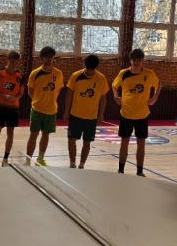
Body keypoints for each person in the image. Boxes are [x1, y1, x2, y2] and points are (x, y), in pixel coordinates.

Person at [112, 49, 161, 177]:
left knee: (141, 142)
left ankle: (139, 171)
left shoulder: (149, 74)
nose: (137, 62)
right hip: (126, 113)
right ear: (131, 60)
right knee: (124, 141)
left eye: (139, 60)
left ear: (142, 61)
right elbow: (114, 85)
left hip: (142, 114)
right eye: (134, 60)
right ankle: (121, 170)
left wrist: (154, 98)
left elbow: (159, 85)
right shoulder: (124, 73)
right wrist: (116, 96)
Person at [63, 54, 109, 169]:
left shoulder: (101, 78)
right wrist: (66, 111)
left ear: (96, 67)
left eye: (92, 69)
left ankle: (82, 165)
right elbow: (69, 94)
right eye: (88, 69)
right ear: (84, 65)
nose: (89, 72)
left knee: (87, 142)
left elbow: (103, 98)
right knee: (71, 139)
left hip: (91, 116)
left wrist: (101, 114)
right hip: (75, 114)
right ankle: (72, 163)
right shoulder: (76, 76)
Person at [26, 46, 64, 166]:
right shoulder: (35, 73)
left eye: (51, 57)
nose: (49, 59)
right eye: (47, 57)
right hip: (37, 109)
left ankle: (40, 158)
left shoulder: (58, 74)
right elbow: (30, 91)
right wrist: (38, 100)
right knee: (33, 134)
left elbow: (58, 90)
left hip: (51, 110)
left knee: (46, 135)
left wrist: (50, 100)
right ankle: (28, 160)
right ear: (41, 58)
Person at [0, 51, 24, 167]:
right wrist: (3, 96)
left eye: (16, 60)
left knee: (10, 133)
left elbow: (21, 93)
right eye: (12, 60)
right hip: (0, 107)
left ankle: (5, 159)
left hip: (13, 108)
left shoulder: (20, 76)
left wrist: (14, 98)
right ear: (7, 59)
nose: (14, 62)